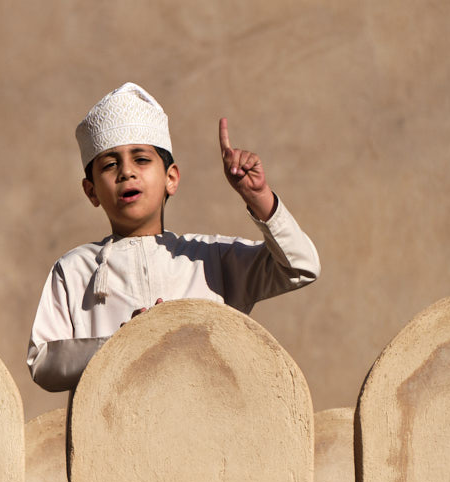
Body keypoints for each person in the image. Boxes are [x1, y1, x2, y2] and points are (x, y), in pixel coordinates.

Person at [27, 82, 320, 392]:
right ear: (91, 191)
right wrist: (119, 346)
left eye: (141, 159)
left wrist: (259, 197)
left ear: (171, 178)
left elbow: (300, 266)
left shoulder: (209, 258)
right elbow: (42, 360)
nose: (127, 172)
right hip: (110, 434)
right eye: (111, 165)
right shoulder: (74, 269)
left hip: (206, 426)